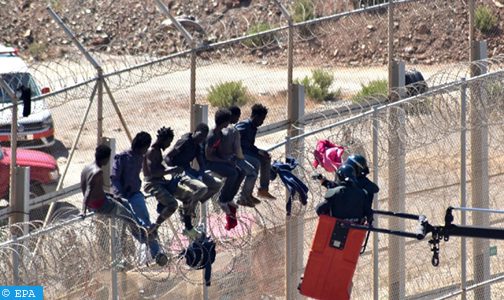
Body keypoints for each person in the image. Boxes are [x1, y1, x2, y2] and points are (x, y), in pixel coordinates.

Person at [81, 144, 169, 265]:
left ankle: (145, 236)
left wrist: (111, 196)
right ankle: (145, 238)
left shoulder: (87, 168)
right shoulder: (98, 172)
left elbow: (88, 189)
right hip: (102, 205)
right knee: (129, 217)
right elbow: (89, 190)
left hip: (97, 203)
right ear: (106, 158)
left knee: (124, 204)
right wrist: (83, 210)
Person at [110, 131, 167, 265]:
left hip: (135, 194)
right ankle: (120, 259)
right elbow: (114, 178)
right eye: (145, 147)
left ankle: (156, 253)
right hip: (122, 198)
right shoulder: (122, 158)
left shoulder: (140, 157)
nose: (145, 150)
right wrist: (118, 195)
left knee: (146, 223)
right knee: (126, 226)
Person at [143, 127, 206, 240]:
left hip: (162, 181)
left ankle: (188, 227)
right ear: (164, 139)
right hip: (152, 184)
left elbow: (164, 167)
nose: (169, 145)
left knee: (189, 196)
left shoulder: (158, 151)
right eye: (169, 142)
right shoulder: (152, 151)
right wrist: (171, 170)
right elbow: (153, 172)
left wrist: (172, 169)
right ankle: (154, 228)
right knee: (172, 204)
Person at [164, 123, 222, 207]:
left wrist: (201, 175)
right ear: (195, 132)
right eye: (200, 135)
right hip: (180, 171)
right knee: (203, 188)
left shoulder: (198, 145)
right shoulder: (185, 141)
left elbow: (201, 163)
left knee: (218, 184)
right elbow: (168, 157)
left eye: (203, 137)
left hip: (189, 170)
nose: (201, 138)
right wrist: (173, 171)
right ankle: (188, 207)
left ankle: (194, 201)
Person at [205, 108, 241, 229]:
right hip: (209, 164)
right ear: (225, 122)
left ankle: (229, 197)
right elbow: (208, 156)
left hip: (218, 160)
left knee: (240, 171)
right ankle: (223, 199)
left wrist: (229, 159)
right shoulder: (212, 136)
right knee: (232, 174)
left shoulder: (220, 133)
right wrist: (225, 161)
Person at [320, 154, 379, 222]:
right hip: (351, 217)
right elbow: (338, 188)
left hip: (354, 216)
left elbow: (375, 189)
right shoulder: (348, 186)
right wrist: (325, 182)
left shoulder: (361, 182)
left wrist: (357, 188)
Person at [235, 104, 276, 200]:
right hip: (240, 153)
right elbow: (234, 139)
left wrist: (260, 152)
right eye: (261, 120)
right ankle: (245, 195)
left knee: (265, 158)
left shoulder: (253, 128)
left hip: (248, 151)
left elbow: (250, 145)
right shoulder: (244, 125)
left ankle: (263, 190)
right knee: (256, 164)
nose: (262, 123)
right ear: (256, 117)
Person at [223, 105, 259, 207]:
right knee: (251, 173)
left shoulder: (228, 127)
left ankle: (241, 197)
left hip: (234, 157)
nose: (238, 119)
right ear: (232, 116)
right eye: (237, 117)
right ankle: (242, 197)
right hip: (231, 159)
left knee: (244, 172)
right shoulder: (229, 128)